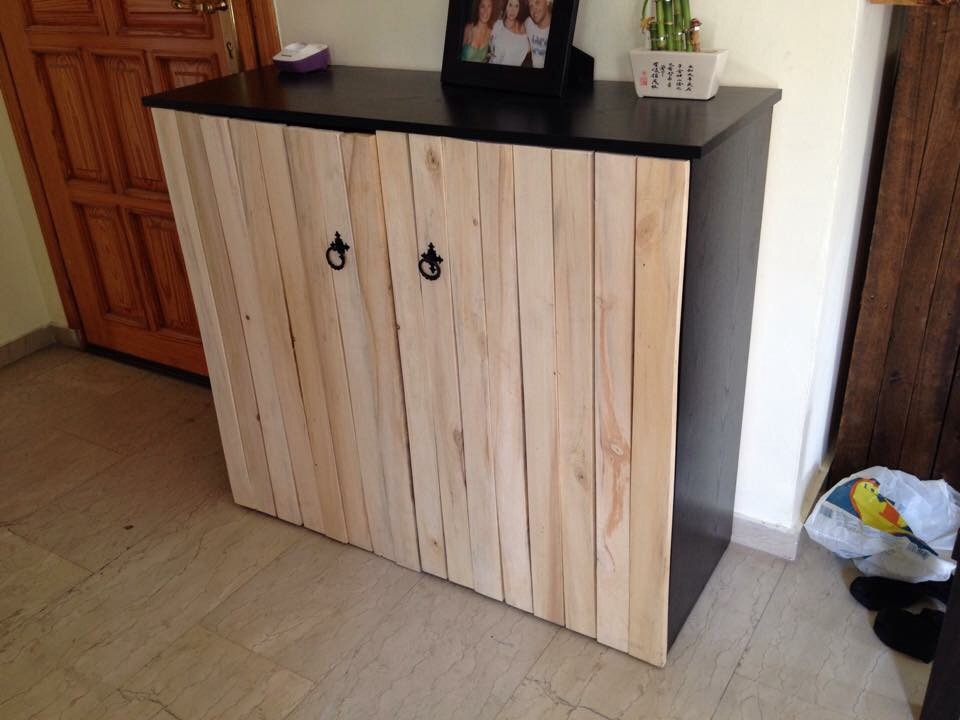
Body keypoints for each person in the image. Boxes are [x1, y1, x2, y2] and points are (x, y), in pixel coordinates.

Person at [489, 0, 531, 67]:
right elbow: (487, 44)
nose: (513, 10)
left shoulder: (524, 27)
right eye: (510, 5)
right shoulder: (497, 24)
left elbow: (530, 48)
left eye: (516, 6)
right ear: (506, 6)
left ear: (519, 9)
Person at [524, 0, 551, 69]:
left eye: (537, 2)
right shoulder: (528, 23)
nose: (534, 10)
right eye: (531, 6)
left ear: (548, 1)